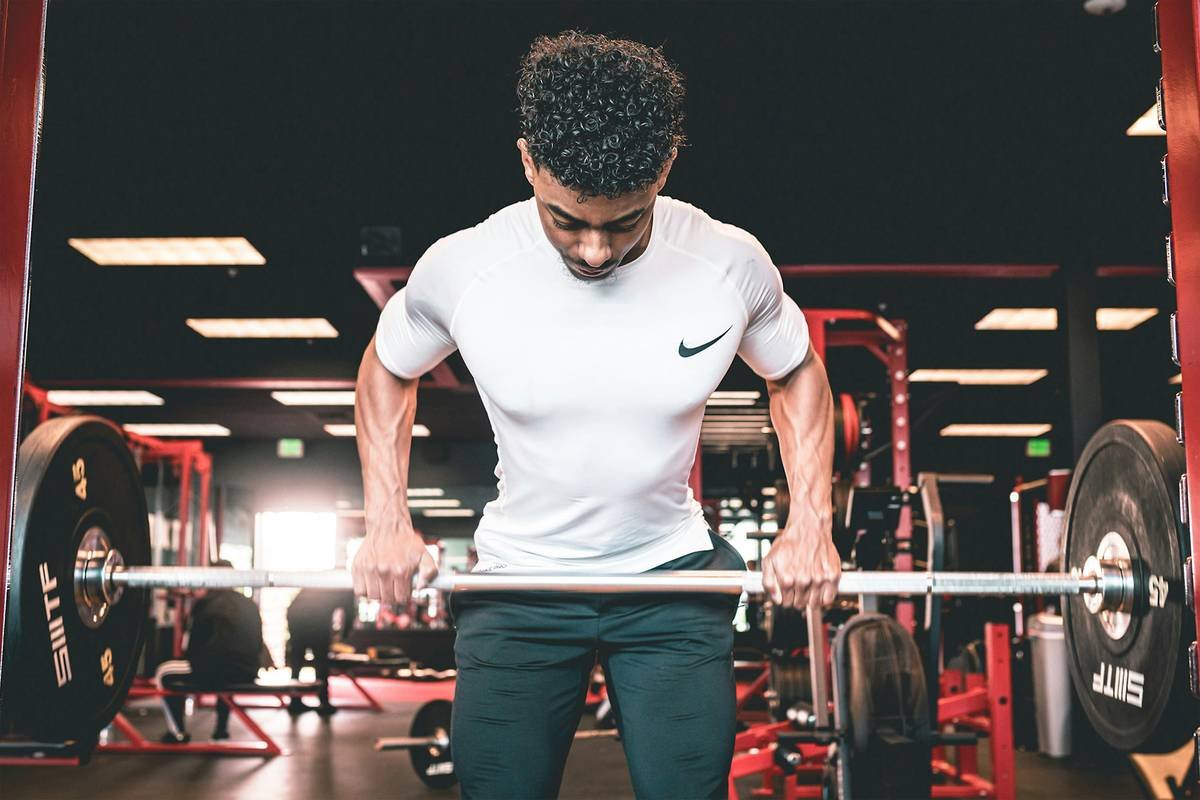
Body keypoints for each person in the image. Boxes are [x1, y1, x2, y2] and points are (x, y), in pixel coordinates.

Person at [352, 31, 839, 799]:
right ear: (526, 163)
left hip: (673, 585)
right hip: (519, 586)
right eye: (567, 220)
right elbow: (386, 369)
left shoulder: (728, 263)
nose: (595, 252)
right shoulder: (467, 268)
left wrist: (811, 521)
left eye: (624, 223)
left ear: (665, 172)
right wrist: (385, 517)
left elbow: (798, 373)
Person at [155, 560, 267, 742]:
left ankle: (177, 733)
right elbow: (257, 643)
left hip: (213, 671)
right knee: (226, 664)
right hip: (247, 672)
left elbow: (192, 649)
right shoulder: (249, 604)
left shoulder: (205, 604)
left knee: (163, 672)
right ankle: (221, 729)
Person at [285, 588, 357, 716]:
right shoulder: (347, 585)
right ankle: (323, 701)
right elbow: (350, 614)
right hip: (313, 617)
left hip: (296, 613)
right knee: (321, 660)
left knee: (297, 658)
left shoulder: (328, 580)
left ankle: (295, 700)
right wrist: (343, 638)